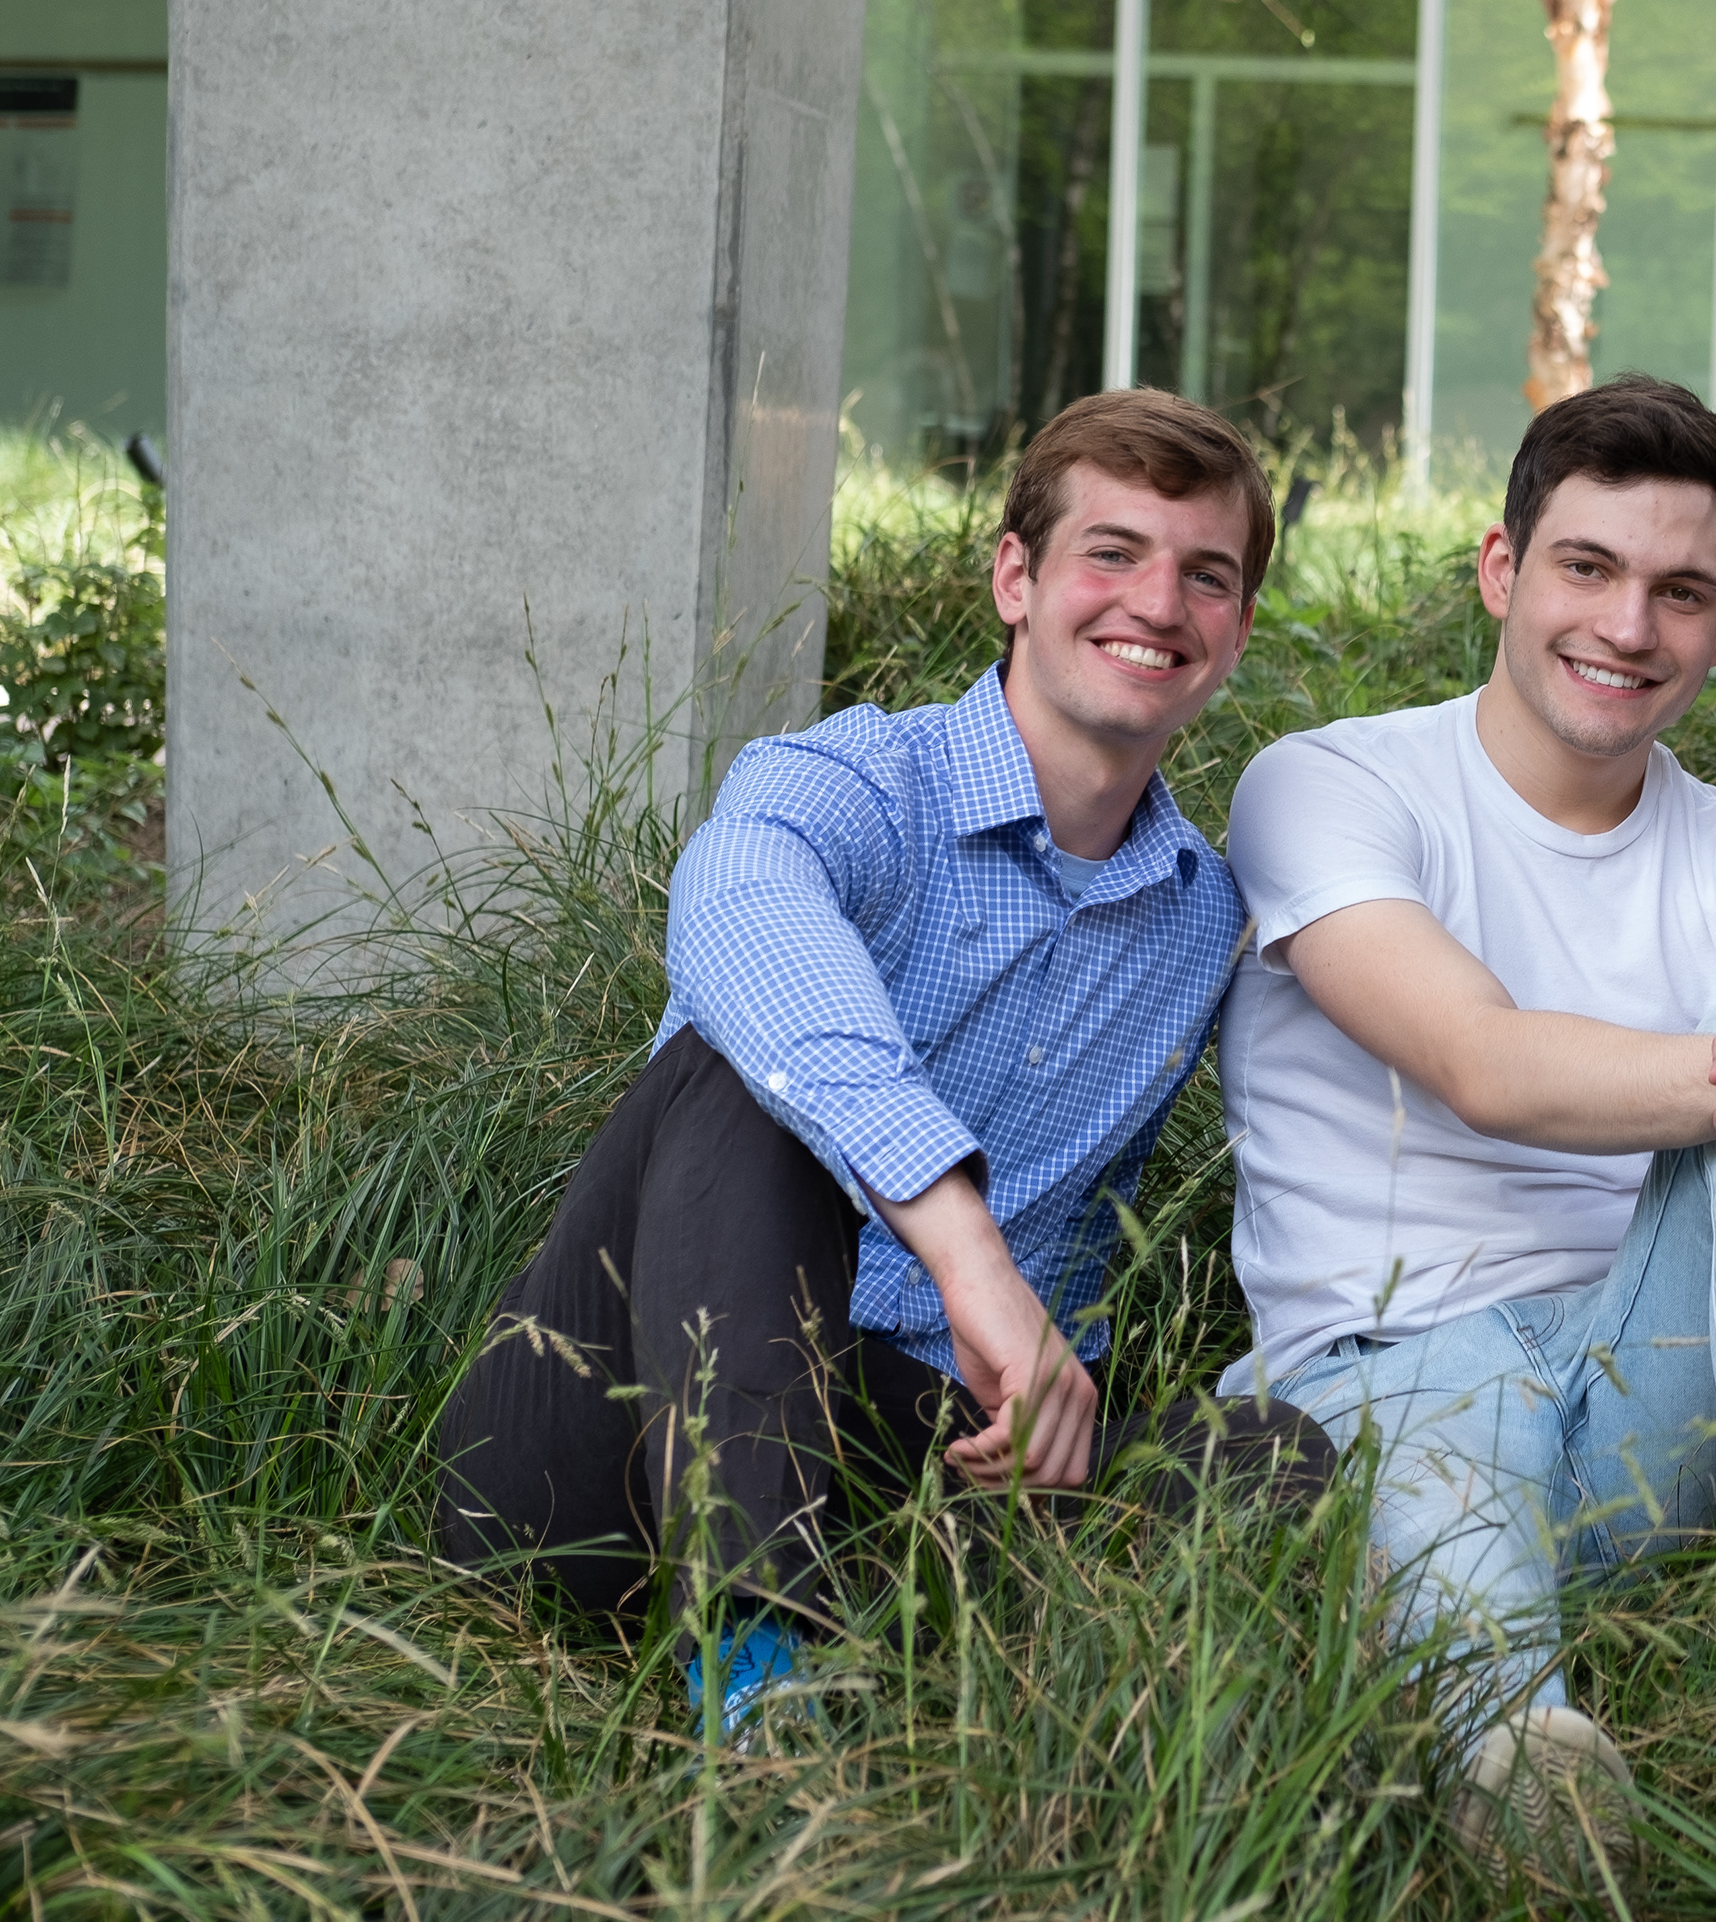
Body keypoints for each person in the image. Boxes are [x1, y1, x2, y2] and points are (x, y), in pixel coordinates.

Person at [435, 392, 1334, 1742]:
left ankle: (952, 1638)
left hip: (908, 1452)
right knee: (746, 1076)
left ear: (1238, 632)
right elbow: (741, 916)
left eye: (1206, 575)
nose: (1159, 603)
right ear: (1016, 578)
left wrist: (1051, 1397)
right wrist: (970, 1257)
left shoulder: (1201, 919)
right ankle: (755, 1682)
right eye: (1112, 553)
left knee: (1269, 1451)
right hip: (613, 1425)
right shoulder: (850, 783)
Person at [1219, 374, 1716, 1868]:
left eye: (1680, 592)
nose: (1628, 626)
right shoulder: (1329, 785)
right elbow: (1484, 1063)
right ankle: (1529, 1785)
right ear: (1503, 569)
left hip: (1653, 1386)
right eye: (1588, 567)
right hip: (1392, 1372)